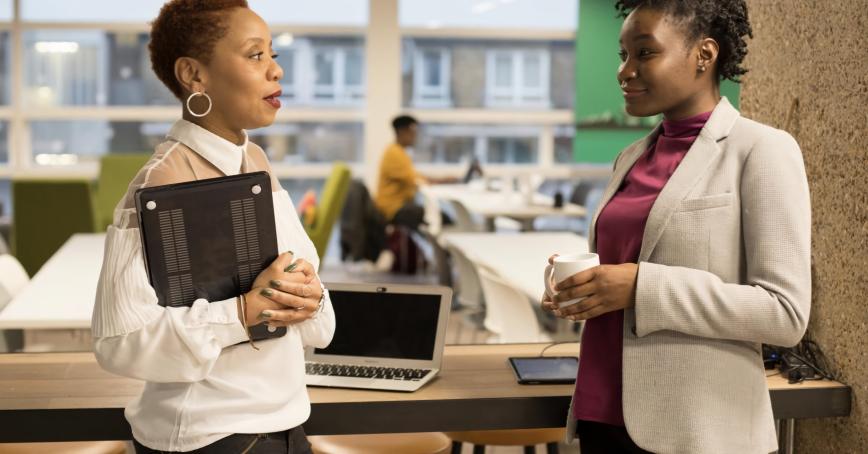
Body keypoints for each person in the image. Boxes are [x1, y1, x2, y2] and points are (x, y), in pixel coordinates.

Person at [540, 1, 810, 453]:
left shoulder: (761, 150)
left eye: (645, 53)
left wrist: (640, 287)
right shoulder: (630, 157)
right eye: (623, 55)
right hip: (602, 414)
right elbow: (619, 273)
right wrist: (577, 288)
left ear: (704, 55)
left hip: (697, 431)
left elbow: (785, 313)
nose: (625, 71)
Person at [90, 1, 335, 452]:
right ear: (193, 74)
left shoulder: (255, 161)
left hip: (285, 426)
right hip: (212, 437)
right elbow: (119, 341)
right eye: (255, 55)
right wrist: (244, 312)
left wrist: (309, 298)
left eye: (273, 54)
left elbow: (313, 314)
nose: (276, 70)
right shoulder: (162, 181)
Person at [374, 115, 426, 230]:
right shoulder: (394, 153)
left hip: (397, 206)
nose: (415, 135)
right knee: (435, 216)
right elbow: (415, 180)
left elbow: (415, 176)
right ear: (402, 132)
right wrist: (443, 180)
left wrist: (444, 179)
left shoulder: (400, 152)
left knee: (429, 214)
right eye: (412, 131)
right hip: (391, 209)